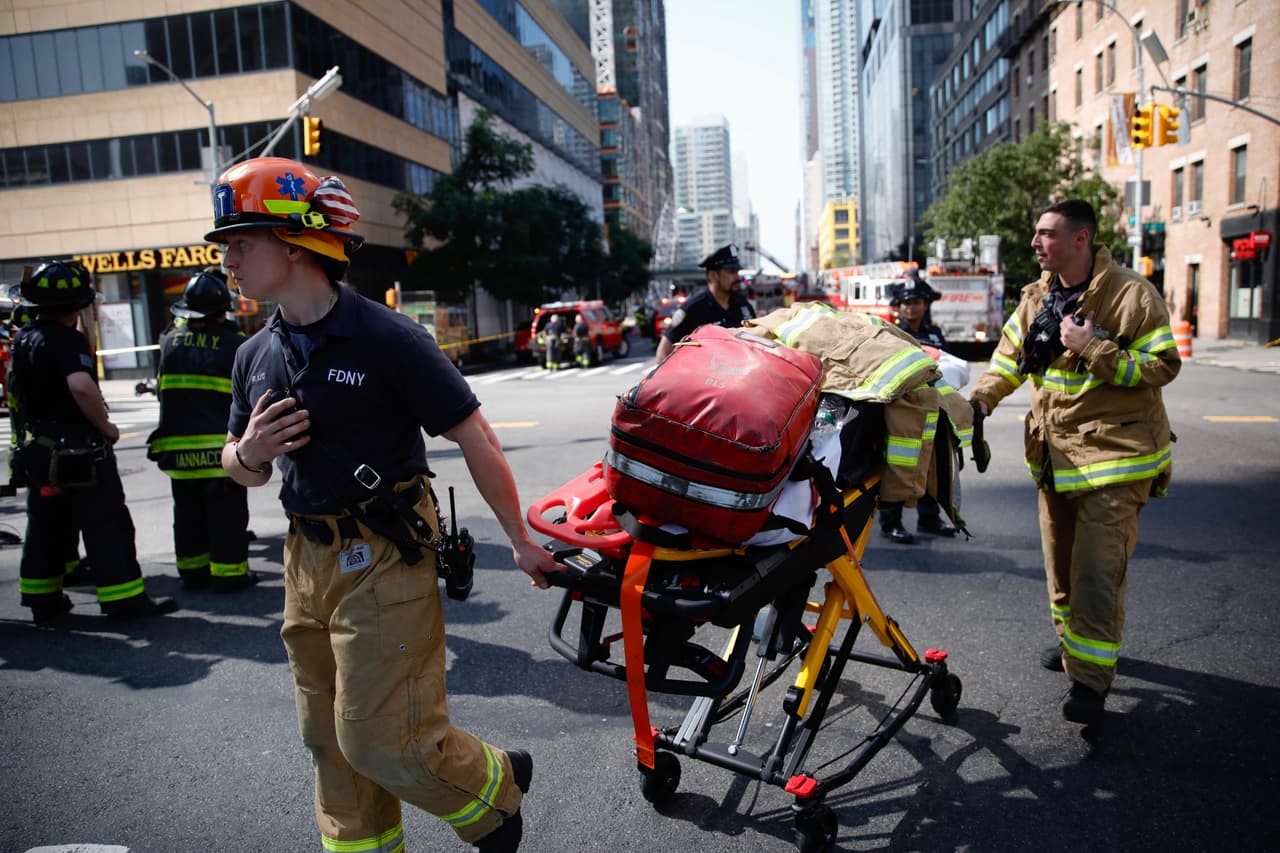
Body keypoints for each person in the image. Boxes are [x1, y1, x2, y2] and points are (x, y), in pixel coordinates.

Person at [208, 157, 560, 852]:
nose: (228, 260)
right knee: (326, 738)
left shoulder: (389, 339)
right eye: (225, 245)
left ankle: (494, 791)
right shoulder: (254, 355)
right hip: (305, 559)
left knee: (378, 735)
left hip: (384, 552)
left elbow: (476, 436)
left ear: (296, 243)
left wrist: (520, 540)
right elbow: (239, 470)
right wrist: (248, 452)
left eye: (241, 241)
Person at [969, 200, 1179, 727]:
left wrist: (1094, 349)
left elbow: (1162, 366)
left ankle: (1089, 680)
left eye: (1046, 234)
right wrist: (982, 400)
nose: (1035, 243)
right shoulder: (1037, 296)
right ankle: (1074, 648)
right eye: (1036, 234)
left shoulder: (1131, 294)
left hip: (1117, 460)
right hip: (1056, 457)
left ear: (1080, 239)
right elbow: (1009, 360)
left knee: (1094, 574)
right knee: (1060, 568)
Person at [9, 260, 178, 624]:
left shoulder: (24, 338)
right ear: (78, 304)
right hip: (80, 453)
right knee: (107, 525)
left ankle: (44, 602)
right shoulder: (67, 339)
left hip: (39, 450)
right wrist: (107, 428)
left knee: (46, 527)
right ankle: (124, 602)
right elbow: (80, 386)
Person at [147, 267, 257, 592]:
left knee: (188, 516)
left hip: (178, 454)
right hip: (218, 451)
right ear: (223, 311)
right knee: (227, 516)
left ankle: (192, 573)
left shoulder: (168, 341)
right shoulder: (233, 345)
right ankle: (229, 575)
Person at [879, 275, 958, 543]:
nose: (911, 307)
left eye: (916, 302)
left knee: (932, 465)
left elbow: (945, 367)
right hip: (904, 411)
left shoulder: (934, 333)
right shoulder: (891, 335)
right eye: (906, 303)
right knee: (899, 466)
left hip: (933, 408)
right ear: (898, 307)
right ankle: (891, 522)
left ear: (925, 304)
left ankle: (929, 519)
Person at [655, 243, 756, 364]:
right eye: (731, 271)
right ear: (713, 275)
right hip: (707, 380)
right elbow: (662, 354)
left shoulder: (743, 305)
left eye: (737, 271)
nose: (737, 277)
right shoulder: (693, 308)